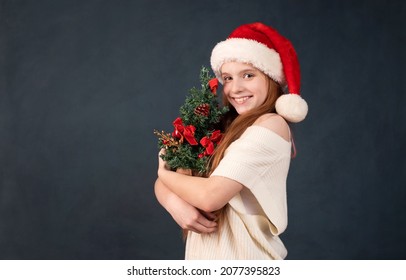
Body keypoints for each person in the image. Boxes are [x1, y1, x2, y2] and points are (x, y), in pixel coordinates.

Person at [154, 22, 308, 259]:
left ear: (271, 78)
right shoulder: (223, 127)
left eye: (248, 75)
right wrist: (174, 203)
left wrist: (163, 174)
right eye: (227, 78)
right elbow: (172, 179)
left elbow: (209, 196)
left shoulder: (270, 126)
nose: (235, 88)